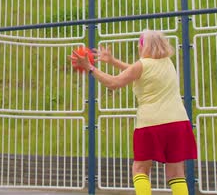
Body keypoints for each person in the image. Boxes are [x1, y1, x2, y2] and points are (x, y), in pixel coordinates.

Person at [71, 30, 197, 195]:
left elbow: (114, 83)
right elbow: (138, 72)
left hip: (151, 124)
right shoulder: (167, 62)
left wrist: (89, 67)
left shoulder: (142, 65)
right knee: (176, 172)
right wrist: (113, 61)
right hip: (178, 122)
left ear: (144, 47)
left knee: (140, 169)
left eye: (139, 44)